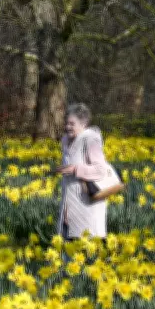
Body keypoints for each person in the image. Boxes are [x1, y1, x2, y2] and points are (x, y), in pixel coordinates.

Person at [54, 103, 110, 240]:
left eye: (72, 124)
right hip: (69, 205)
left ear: (83, 123)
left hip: (86, 205)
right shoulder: (67, 142)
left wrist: (75, 169)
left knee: (85, 251)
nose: (67, 127)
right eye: (66, 123)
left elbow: (101, 170)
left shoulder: (91, 140)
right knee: (67, 251)